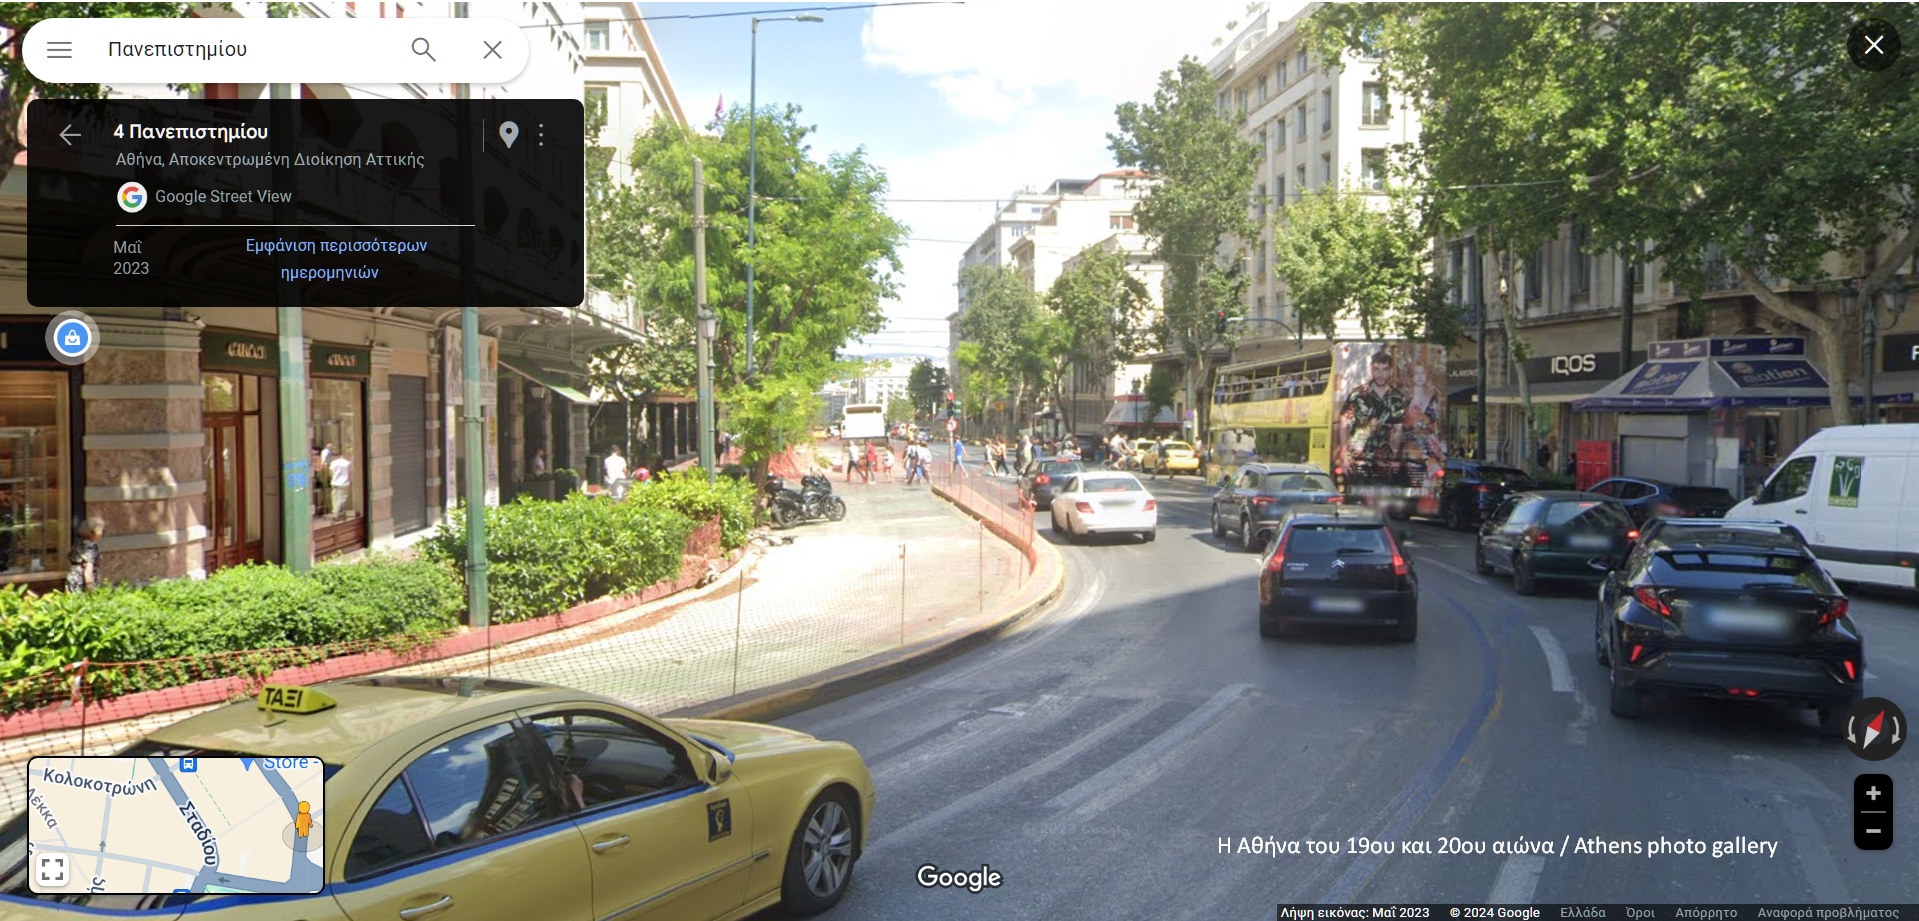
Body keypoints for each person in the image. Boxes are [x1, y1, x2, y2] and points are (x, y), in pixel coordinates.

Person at [66, 517, 104, 592]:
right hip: (82, 581)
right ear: (95, 532)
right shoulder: (91, 546)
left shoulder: (77, 543)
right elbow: (88, 567)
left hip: (73, 578)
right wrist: (89, 585)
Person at [327, 451, 353, 517]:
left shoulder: (333, 463)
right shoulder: (347, 463)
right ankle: (337, 512)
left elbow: (331, 472)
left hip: (334, 482)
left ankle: (335, 511)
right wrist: (350, 481)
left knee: (335, 498)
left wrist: (333, 478)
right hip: (344, 482)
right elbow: (350, 473)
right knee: (342, 498)